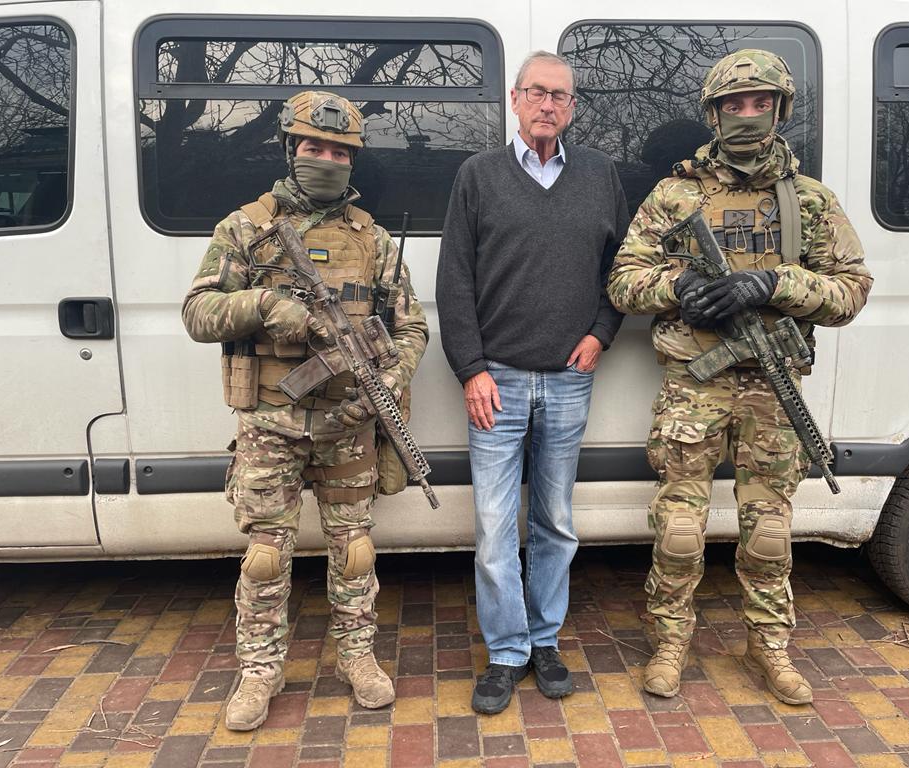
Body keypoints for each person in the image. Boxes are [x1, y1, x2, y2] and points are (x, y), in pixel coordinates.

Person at [607, 50, 872, 705]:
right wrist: (682, 286)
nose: (747, 115)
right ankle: (670, 643)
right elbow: (623, 280)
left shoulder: (809, 201)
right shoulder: (676, 194)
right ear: (715, 113)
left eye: (760, 103)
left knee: (769, 528)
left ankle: (770, 648)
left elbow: (851, 290)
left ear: (779, 110)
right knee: (678, 526)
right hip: (694, 386)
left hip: (772, 385)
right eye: (734, 104)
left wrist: (776, 282)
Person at [182, 90, 428, 729]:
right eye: (314, 147)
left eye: (340, 151)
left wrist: (391, 374)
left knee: (355, 549)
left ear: (354, 160)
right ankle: (259, 671)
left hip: (349, 423)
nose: (327, 159)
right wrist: (265, 306)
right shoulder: (245, 227)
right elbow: (198, 313)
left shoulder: (372, 239)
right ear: (291, 149)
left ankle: (357, 656)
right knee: (266, 552)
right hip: (271, 423)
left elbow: (412, 326)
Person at [436, 51, 629, 714]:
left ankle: (545, 640)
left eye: (561, 96)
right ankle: (507, 651)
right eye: (537, 93)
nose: (549, 105)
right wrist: (471, 369)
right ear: (515, 101)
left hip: (569, 381)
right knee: (495, 525)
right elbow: (453, 280)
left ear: (572, 108)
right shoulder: (478, 176)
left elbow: (622, 269)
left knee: (554, 521)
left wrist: (601, 332)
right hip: (498, 381)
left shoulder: (601, 176)